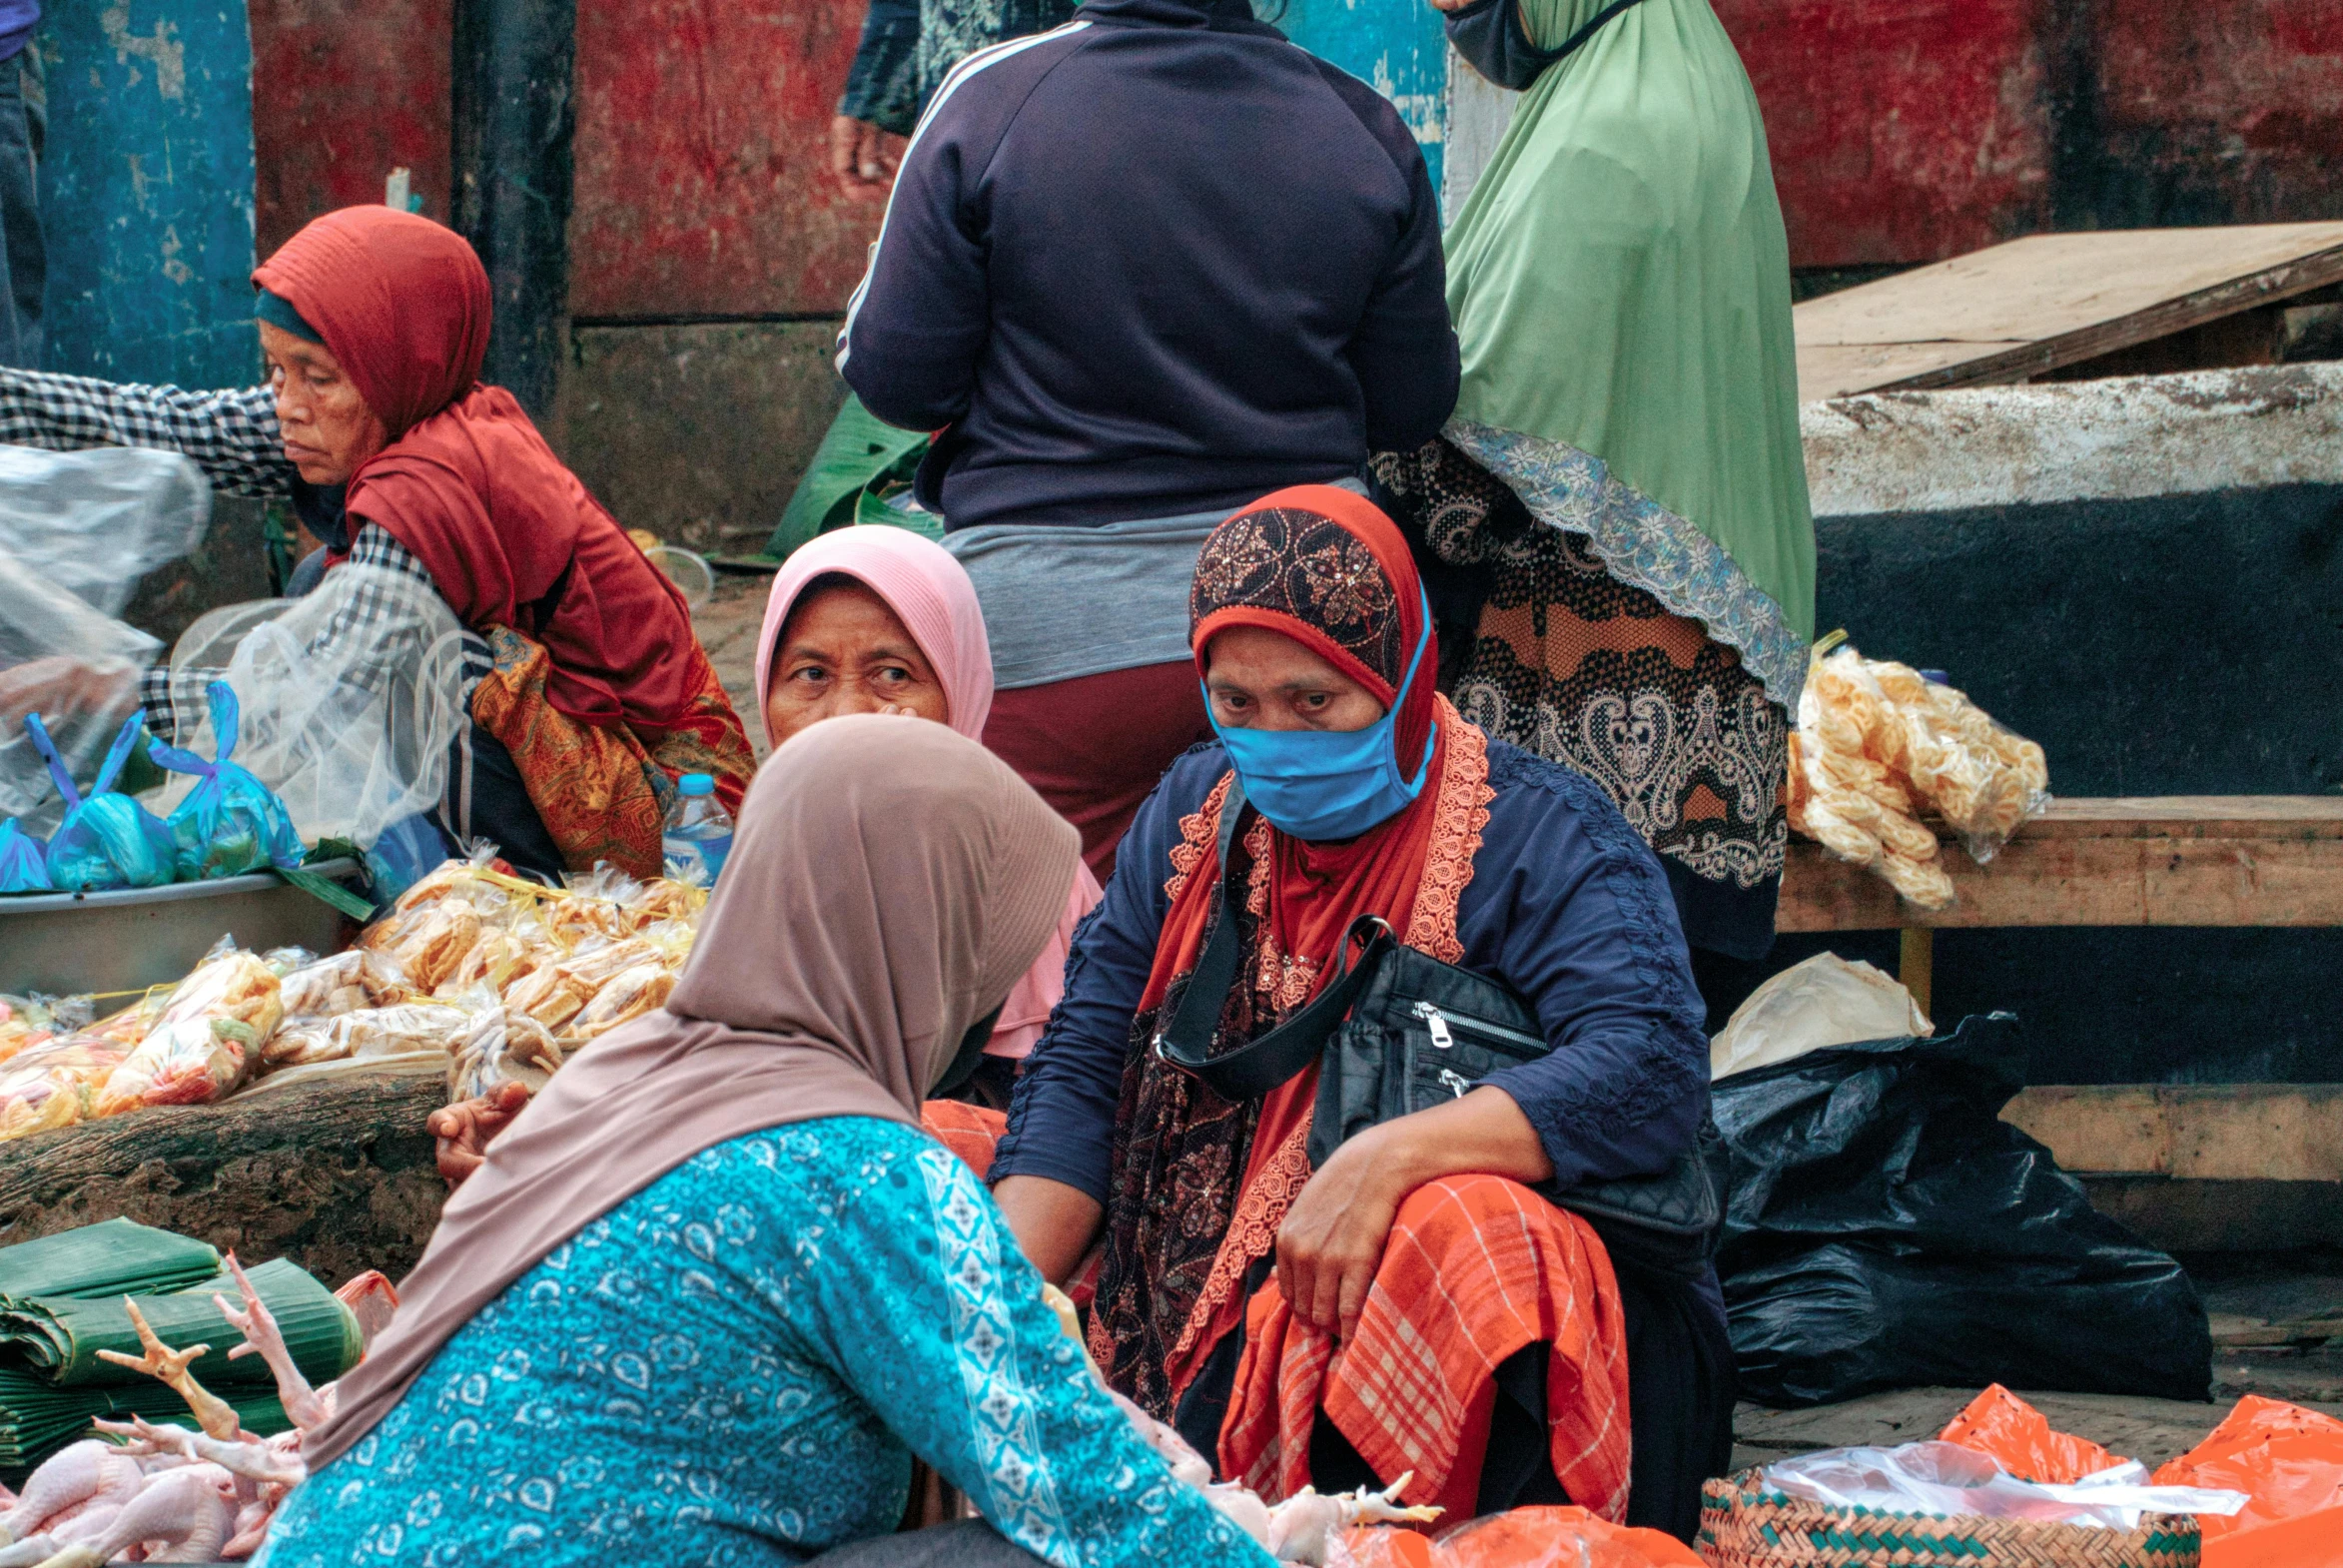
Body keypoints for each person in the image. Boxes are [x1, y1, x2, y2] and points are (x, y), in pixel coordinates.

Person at [261, 717, 1276, 1568]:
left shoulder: (613, 1079)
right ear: (920, 937)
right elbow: (1075, 1484)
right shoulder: (859, 1167)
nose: (991, 993)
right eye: (987, 951)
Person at [982, 488, 1732, 1539]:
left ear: (1405, 676)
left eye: (1315, 700)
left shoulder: (1540, 838)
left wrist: (1387, 1161)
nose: (1274, 737)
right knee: (923, 1156)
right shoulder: (1198, 815)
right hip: (1193, 1282)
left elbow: (1648, 1070)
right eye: (1235, 702)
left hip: (1470, 1344)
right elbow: (1087, 1059)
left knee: (1460, 1229)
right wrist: (997, 1305)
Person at [837, 0, 1459, 880]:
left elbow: (896, 378)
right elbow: (1411, 403)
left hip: (1056, 641)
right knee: (1313, 936)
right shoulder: (1359, 121)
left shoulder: (992, 99)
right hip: (1309, 628)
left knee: (1044, 953)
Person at [0, 206, 753, 882]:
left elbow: (316, 695)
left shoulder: (432, 486)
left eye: (314, 377)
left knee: (432, 674)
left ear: (397, 360)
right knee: (315, 589)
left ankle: (508, 892)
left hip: (675, 805)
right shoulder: (380, 407)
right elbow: (169, 425)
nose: (285, 405)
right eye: (274, 369)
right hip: (580, 751)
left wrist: (104, 691)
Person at [1372, 0, 1815, 1015]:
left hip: (1600, 716)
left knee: (1579, 1064)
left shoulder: (1606, 137)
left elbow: (1490, 444)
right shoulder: (1676, 68)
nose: (1456, 14)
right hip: (1700, 718)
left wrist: (1365, 495)